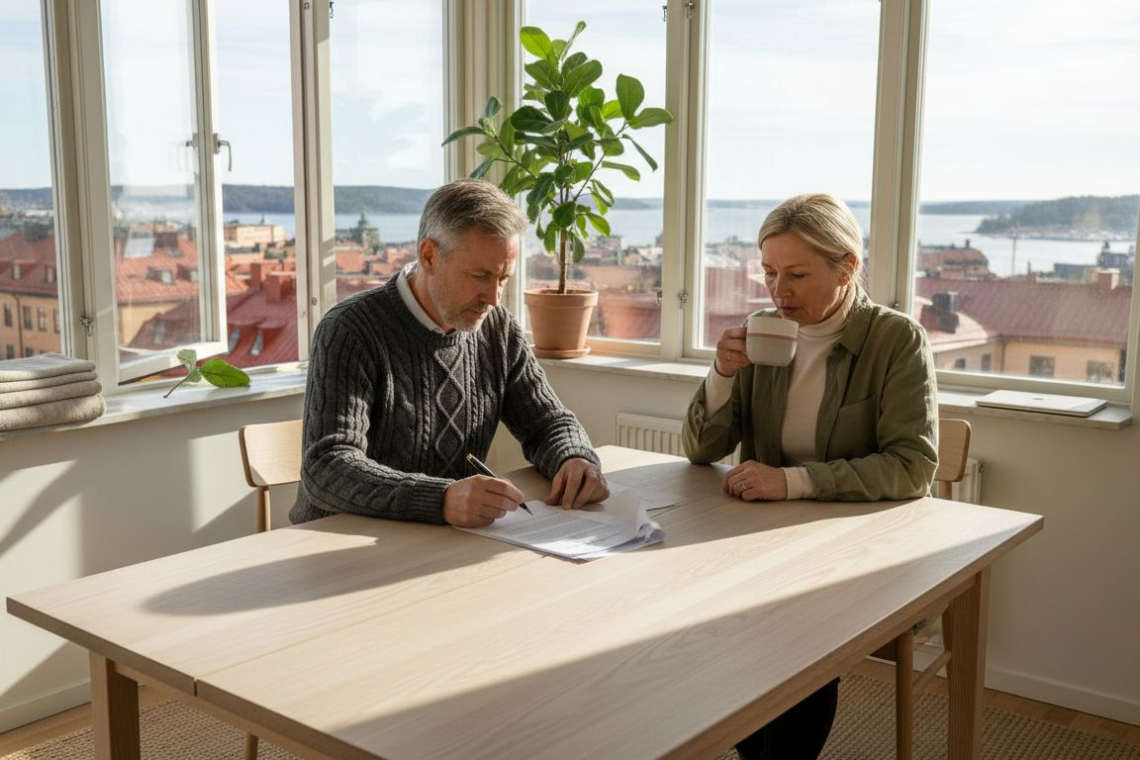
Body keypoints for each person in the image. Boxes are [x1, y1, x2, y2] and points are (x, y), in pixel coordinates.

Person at [682, 192, 938, 759]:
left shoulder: (895, 341)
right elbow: (701, 449)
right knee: (704, 614)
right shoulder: (762, 329)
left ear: (847, 266)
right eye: (769, 273)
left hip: (851, 545)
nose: (779, 291)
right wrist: (721, 372)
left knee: (795, 632)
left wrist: (792, 482)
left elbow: (912, 466)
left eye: (796, 274)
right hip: (763, 538)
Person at [290, 178, 608, 529]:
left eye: (503, 278)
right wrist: (440, 499)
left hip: (442, 541)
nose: (494, 298)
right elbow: (327, 466)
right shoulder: (351, 330)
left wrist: (574, 458)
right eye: (480, 275)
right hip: (335, 543)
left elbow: (547, 423)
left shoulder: (497, 329)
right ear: (429, 256)